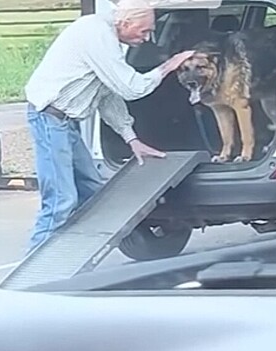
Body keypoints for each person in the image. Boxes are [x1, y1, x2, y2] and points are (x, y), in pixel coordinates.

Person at [24, 0, 195, 254]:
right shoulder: (96, 34)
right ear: (125, 23)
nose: (147, 38)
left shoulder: (107, 38)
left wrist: (131, 138)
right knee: (61, 199)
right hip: (50, 119)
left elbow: (108, 95)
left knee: (93, 194)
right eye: (145, 31)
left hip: (65, 122)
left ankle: (73, 257)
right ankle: (32, 273)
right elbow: (131, 88)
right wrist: (168, 66)